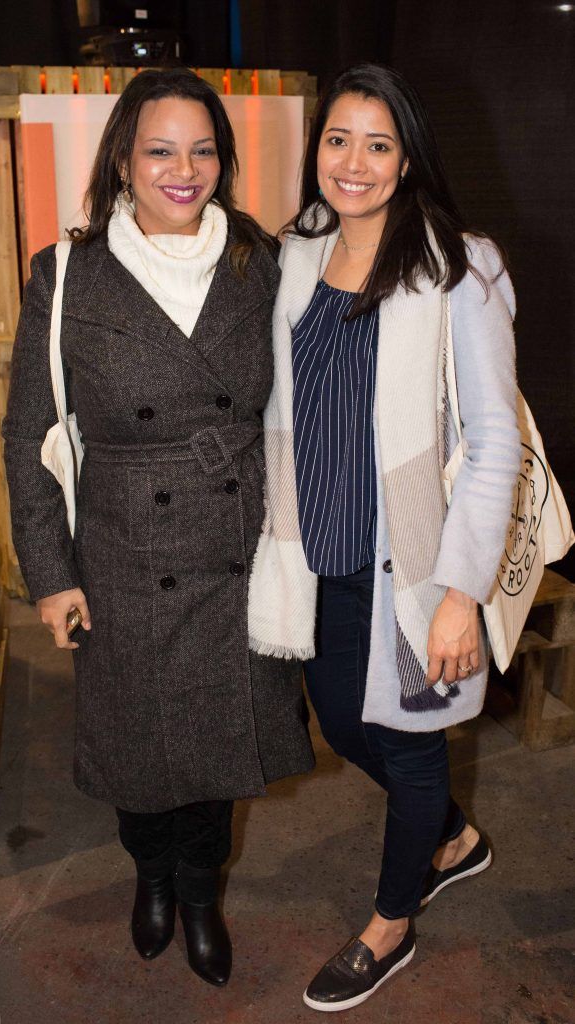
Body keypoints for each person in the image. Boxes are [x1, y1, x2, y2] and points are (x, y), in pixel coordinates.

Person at [2, 67, 314, 988]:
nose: (184, 170)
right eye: (160, 150)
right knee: (139, 752)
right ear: (124, 162)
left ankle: (202, 893)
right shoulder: (66, 276)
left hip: (235, 541)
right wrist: (51, 573)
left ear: (222, 159)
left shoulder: (263, 262)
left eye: (203, 150)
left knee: (219, 749)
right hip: (121, 548)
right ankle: (150, 876)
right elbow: (29, 432)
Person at [248, 63, 520, 1012]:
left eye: (378, 143)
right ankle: (449, 834)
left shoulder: (460, 264)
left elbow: (494, 443)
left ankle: (390, 923)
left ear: (407, 159)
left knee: (407, 748)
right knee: (341, 721)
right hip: (314, 552)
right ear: (315, 147)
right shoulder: (294, 253)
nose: (353, 162)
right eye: (337, 139)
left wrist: (461, 589)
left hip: (410, 561)